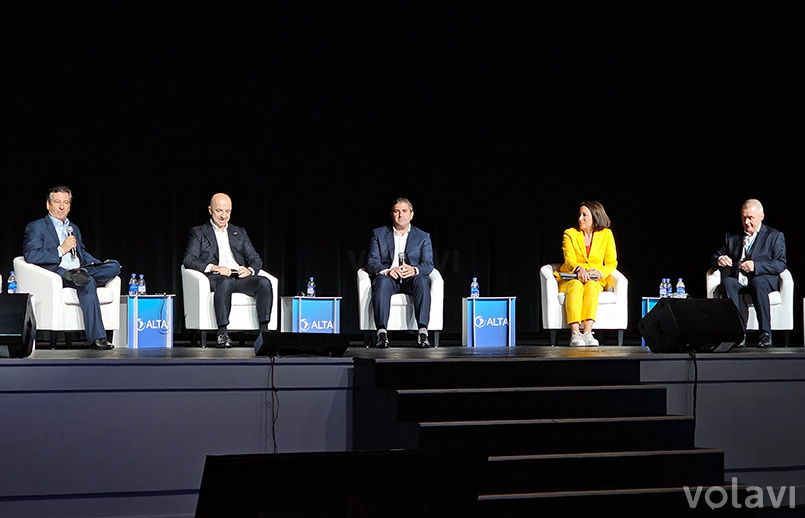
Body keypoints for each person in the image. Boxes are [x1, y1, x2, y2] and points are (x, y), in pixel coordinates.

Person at [23, 186, 121, 350]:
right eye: (57, 202)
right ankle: (98, 338)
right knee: (87, 282)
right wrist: (61, 249)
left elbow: (81, 253)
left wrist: (98, 263)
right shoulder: (36, 227)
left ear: (69, 206)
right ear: (48, 205)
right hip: (58, 273)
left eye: (65, 203)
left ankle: (80, 275)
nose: (61, 207)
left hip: (80, 270)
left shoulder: (73, 228)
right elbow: (31, 255)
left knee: (114, 266)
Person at [182, 193, 273, 348]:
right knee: (226, 281)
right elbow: (189, 259)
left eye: (227, 211)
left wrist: (249, 270)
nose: (223, 216)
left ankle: (264, 333)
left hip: (238, 277)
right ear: (210, 210)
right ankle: (222, 333)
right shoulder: (199, 232)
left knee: (264, 283)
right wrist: (215, 268)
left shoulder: (240, 232)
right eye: (219, 211)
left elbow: (255, 259)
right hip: (215, 277)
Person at [711, 199, 786, 348]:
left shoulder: (774, 236)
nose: (746, 222)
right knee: (727, 283)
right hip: (739, 279)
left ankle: (765, 333)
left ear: (761, 216)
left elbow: (780, 263)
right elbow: (714, 257)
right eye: (744, 217)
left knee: (758, 283)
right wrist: (720, 259)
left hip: (761, 278)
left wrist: (756, 266)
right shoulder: (732, 237)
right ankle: (739, 333)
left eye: (750, 218)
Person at [365, 197, 434, 348]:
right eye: (396, 211)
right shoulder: (378, 234)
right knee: (382, 282)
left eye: (404, 211)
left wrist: (414, 270)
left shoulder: (423, 236)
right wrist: (387, 271)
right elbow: (371, 261)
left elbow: (428, 264)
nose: (400, 215)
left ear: (411, 214)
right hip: (390, 278)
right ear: (392, 215)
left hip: (411, 279)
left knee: (422, 280)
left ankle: (423, 332)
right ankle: (382, 333)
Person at [555, 201, 618, 346]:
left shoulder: (606, 234)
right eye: (580, 215)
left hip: (593, 278)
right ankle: (575, 333)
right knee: (576, 286)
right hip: (572, 276)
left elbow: (611, 263)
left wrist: (600, 272)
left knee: (592, 286)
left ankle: (588, 333)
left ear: (595, 217)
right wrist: (578, 269)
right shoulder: (570, 234)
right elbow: (569, 258)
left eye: (584, 215)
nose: (580, 218)